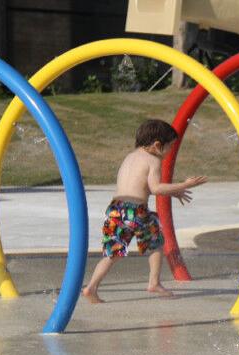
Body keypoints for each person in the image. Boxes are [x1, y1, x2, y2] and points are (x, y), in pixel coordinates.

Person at [82, 119, 209, 304]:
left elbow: (140, 186)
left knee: (113, 252)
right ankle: (154, 282)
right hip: (136, 210)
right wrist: (185, 184)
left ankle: (91, 287)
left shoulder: (130, 157)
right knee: (156, 243)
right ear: (157, 145)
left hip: (116, 209)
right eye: (170, 147)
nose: (170, 152)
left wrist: (174, 192)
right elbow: (156, 188)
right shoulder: (153, 160)